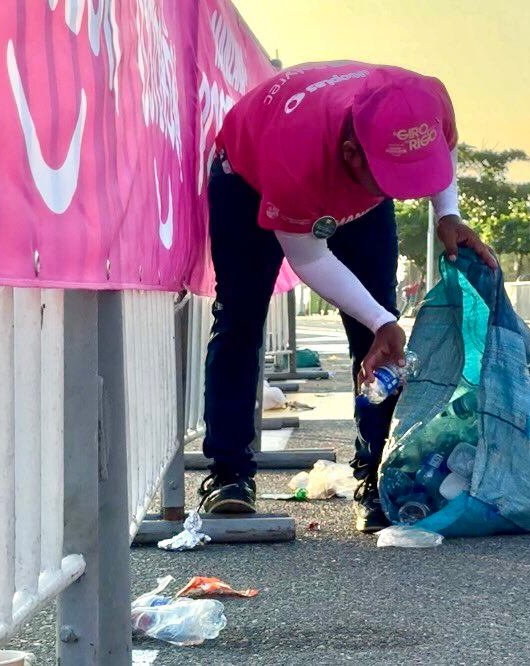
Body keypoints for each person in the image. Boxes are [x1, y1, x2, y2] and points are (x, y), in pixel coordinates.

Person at [199, 61, 496, 533]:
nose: (404, 191)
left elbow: (440, 154)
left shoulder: (424, 99)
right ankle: (229, 474)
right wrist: (381, 319)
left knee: (379, 338)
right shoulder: (293, 158)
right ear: (353, 153)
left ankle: (377, 477)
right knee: (240, 318)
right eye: (393, 179)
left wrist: (448, 214)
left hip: (338, 176)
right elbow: (310, 257)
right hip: (246, 177)